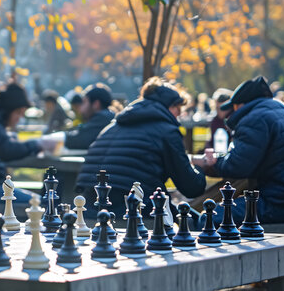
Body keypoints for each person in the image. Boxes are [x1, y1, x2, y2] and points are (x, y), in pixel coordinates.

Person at [195, 76, 284, 224]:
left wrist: (214, 162)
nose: (231, 113)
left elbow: (238, 165)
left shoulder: (254, 119)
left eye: (234, 107)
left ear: (241, 105)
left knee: (209, 219)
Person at [76, 77, 207, 218]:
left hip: (88, 205)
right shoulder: (167, 130)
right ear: (171, 106)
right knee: (197, 223)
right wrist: (202, 166)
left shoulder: (112, 127)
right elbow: (191, 187)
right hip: (135, 208)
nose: (179, 115)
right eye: (179, 109)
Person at [64, 83, 115, 150]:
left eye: (84, 102)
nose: (80, 109)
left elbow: (79, 140)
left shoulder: (102, 118)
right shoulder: (108, 117)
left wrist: (58, 138)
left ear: (96, 104)